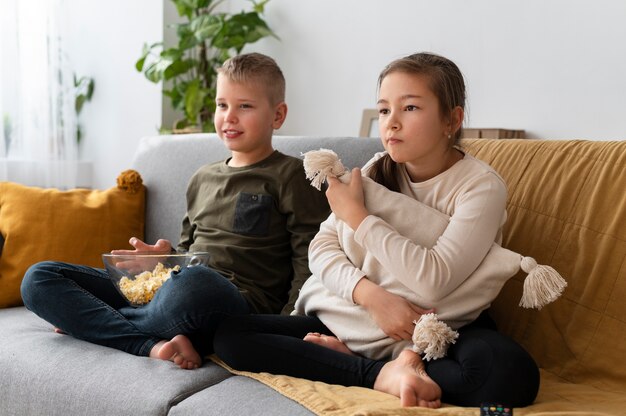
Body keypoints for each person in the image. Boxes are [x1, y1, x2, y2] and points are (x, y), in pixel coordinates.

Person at [212, 52, 540, 408]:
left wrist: (360, 218)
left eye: (410, 108)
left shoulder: (481, 187)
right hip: (362, 315)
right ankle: (377, 373)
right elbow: (321, 249)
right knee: (230, 336)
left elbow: (435, 279)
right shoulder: (375, 170)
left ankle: (362, 361)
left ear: (452, 119)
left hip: (438, 325)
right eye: (384, 110)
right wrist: (372, 297)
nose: (391, 123)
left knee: (509, 374)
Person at [20, 52, 330, 370]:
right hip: (172, 291)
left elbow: (310, 258)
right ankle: (151, 345)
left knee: (194, 285)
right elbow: (188, 253)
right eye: (222, 105)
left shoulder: (293, 175)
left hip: (229, 298)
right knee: (40, 278)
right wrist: (164, 256)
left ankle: (92, 322)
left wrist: (284, 324)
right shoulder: (202, 177)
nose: (229, 116)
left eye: (245, 106)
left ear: (277, 116)